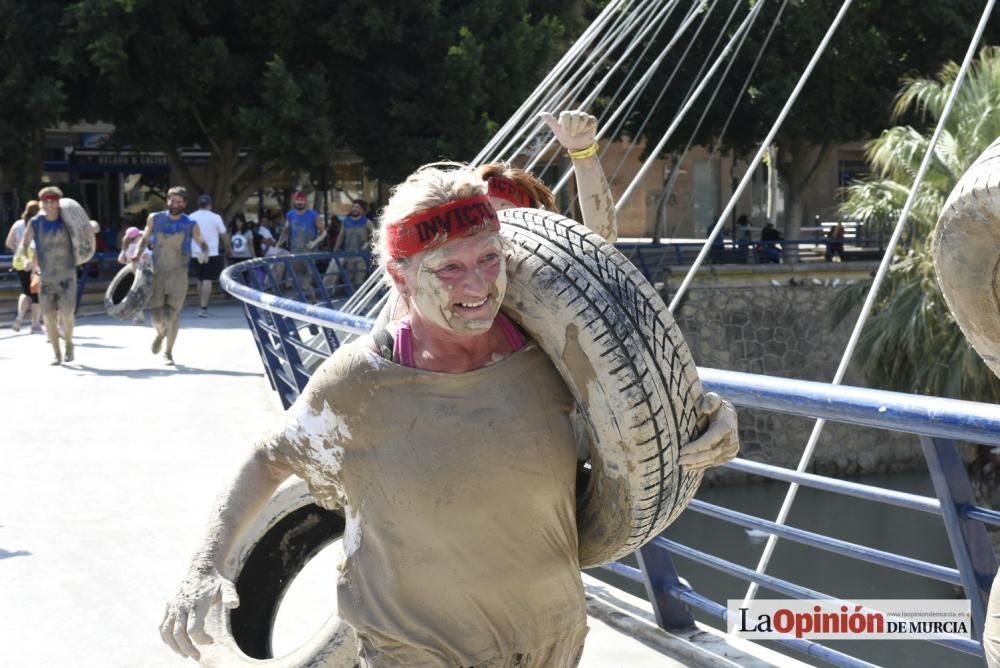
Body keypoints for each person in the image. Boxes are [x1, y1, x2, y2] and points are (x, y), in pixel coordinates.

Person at [160, 163, 740, 667]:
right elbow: (267, 458)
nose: (479, 286)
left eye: (490, 259)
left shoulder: (555, 364)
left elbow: (638, 425)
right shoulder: (359, 384)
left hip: (551, 642)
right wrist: (204, 568)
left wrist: (705, 424)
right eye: (449, 269)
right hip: (412, 649)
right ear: (400, 277)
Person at [132, 186, 210, 365]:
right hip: (158, 272)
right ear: (167, 201)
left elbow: (200, 240)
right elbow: (144, 238)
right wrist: (137, 253)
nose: (175, 204)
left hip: (179, 273)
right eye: (172, 201)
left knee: (174, 314)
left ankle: (168, 352)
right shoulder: (155, 218)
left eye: (179, 202)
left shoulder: (190, 223)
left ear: (185, 204)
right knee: (158, 316)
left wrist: (205, 251)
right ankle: (160, 334)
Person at [19, 187, 80, 364]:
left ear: (58, 202)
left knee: (67, 313)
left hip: (67, 274)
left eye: (52, 201)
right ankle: (56, 353)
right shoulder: (35, 222)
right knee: (48, 317)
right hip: (46, 276)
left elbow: (85, 231)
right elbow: (23, 245)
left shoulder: (67, 219)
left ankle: (68, 343)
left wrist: (92, 227)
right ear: (41, 203)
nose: (49, 205)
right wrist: (25, 260)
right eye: (45, 201)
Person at [189, 194, 231, 317]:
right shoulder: (216, 217)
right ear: (210, 205)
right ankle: (203, 307)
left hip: (195, 252)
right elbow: (224, 235)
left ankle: (200, 305)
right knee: (207, 279)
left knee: (199, 279)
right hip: (211, 252)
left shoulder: (191, 217)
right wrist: (228, 248)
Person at [5, 200, 42, 333]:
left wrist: (18, 251)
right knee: (37, 294)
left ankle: (20, 316)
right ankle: (35, 325)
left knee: (26, 291)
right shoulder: (38, 224)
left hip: (19, 261)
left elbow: (8, 243)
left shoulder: (17, 224)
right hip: (34, 260)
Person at [324, 198, 374, 290]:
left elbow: (375, 237)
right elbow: (340, 237)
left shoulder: (367, 222)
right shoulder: (346, 222)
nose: (354, 209)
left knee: (359, 281)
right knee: (349, 280)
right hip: (348, 256)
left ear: (362, 210)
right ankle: (351, 301)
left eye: (357, 207)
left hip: (361, 257)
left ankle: (359, 300)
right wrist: (334, 252)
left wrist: (368, 243)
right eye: (353, 207)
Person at [117, 226, 152, 325]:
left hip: (130, 272)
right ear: (137, 237)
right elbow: (147, 259)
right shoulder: (140, 247)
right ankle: (138, 316)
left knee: (133, 293)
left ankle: (137, 316)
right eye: (140, 235)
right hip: (140, 272)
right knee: (139, 294)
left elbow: (120, 260)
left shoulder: (126, 247)